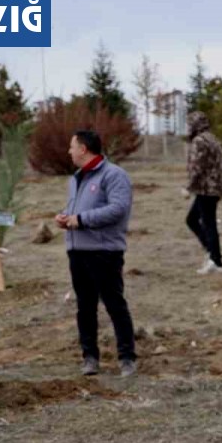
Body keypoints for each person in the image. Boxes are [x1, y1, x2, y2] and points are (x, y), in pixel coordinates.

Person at [55, 129, 138, 377]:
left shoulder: (114, 175)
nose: (69, 151)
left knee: (114, 305)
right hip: (77, 251)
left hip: (104, 252)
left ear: (83, 149)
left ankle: (127, 358)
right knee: (85, 307)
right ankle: (90, 357)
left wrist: (80, 220)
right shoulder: (76, 178)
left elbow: (118, 209)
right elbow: (78, 209)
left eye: (72, 147)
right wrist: (66, 217)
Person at [184, 110, 222, 275]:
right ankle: (212, 253)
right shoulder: (212, 138)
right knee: (192, 219)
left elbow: (197, 167)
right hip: (214, 187)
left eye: (189, 124)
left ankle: (215, 260)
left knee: (208, 223)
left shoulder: (199, 141)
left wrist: (188, 187)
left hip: (206, 189)